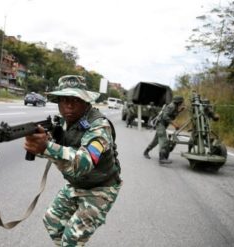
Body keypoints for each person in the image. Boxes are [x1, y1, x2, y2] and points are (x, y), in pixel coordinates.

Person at [24, 75, 122, 246]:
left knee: (72, 239)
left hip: (101, 189)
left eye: (75, 100)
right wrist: (38, 146)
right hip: (77, 185)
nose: (69, 105)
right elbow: (56, 151)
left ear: (85, 101)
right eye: (64, 100)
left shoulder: (99, 127)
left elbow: (83, 164)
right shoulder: (63, 123)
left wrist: (46, 147)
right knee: (52, 221)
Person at [143, 96, 185, 165]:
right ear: (178, 102)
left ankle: (146, 151)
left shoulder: (174, 107)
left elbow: (172, 115)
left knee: (156, 141)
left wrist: (179, 111)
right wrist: (174, 124)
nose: (181, 103)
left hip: (162, 125)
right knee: (164, 140)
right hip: (160, 124)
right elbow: (165, 116)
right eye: (181, 102)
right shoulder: (171, 106)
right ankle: (161, 158)